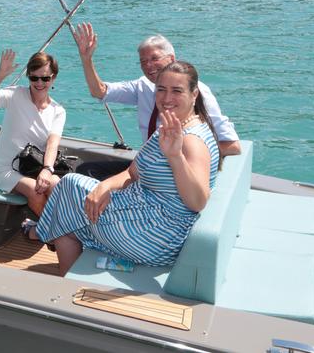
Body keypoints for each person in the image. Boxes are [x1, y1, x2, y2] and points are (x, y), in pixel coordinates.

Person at [24, 61, 220, 275]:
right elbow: (132, 172)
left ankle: (42, 234)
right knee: (68, 204)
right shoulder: (171, 127)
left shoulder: (192, 141)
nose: (166, 98)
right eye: (161, 89)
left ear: (194, 94)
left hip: (156, 235)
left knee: (68, 191)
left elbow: (197, 202)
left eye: (177, 91)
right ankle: (53, 247)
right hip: (142, 214)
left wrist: (175, 157)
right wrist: (105, 187)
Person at [73, 23, 240, 158]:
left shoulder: (196, 91)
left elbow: (232, 145)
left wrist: (181, 153)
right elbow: (100, 92)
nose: (148, 65)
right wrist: (86, 59)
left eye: (154, 58)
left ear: (172, 58)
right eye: (143, 61)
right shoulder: (142, 86)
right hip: (147, 165)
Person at [0, 50, 66, 216]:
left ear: (53, 78)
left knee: (57, 185)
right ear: (28, 76)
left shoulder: (58, 111)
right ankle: (52, 230)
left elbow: (52, 144)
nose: (39, 83)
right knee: (35, 191)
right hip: (6, 169)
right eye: (34, 78)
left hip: (34, 167)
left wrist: (47, 169)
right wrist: (0, 76)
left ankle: (57, 227)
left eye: (45, 78)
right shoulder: (15, 95)